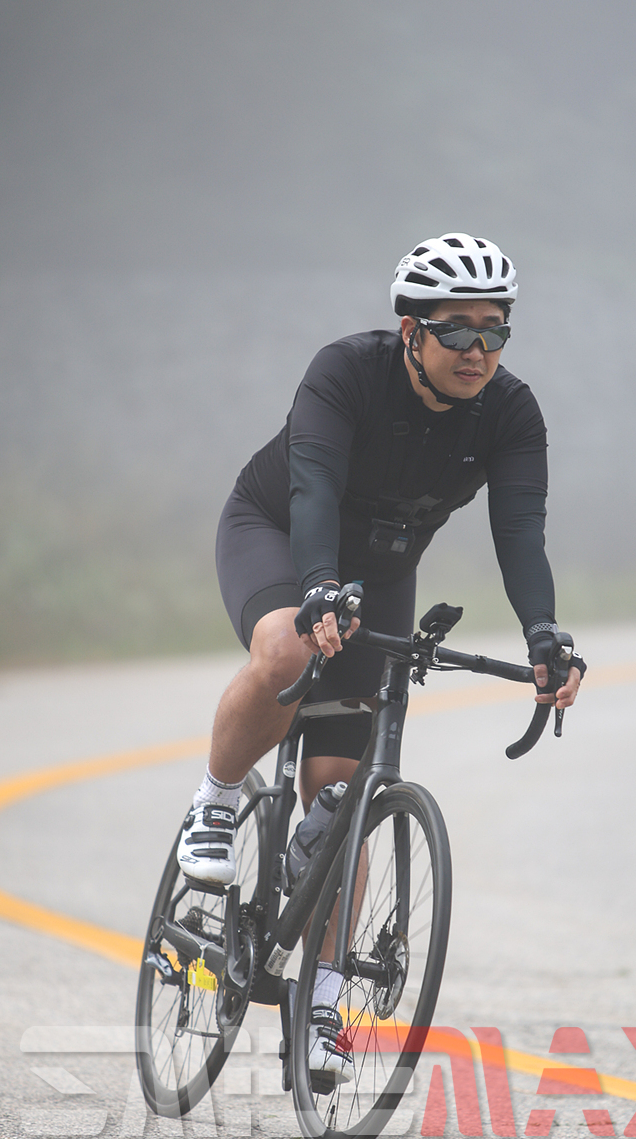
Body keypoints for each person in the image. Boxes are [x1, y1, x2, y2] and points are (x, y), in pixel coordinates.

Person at [175, 233, 583, 1080]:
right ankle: (214, 800)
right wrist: (318, 586)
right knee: (285, 651)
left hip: (382, 573)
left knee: (340, 798)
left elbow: (521, 533)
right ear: (410, 332)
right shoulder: (346, 373)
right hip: (280, 534)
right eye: (458, 331)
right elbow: (313, 491)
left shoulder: (511, 412)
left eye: (495, 332)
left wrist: (543, 633)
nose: (478, 351)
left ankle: (323, 1000)